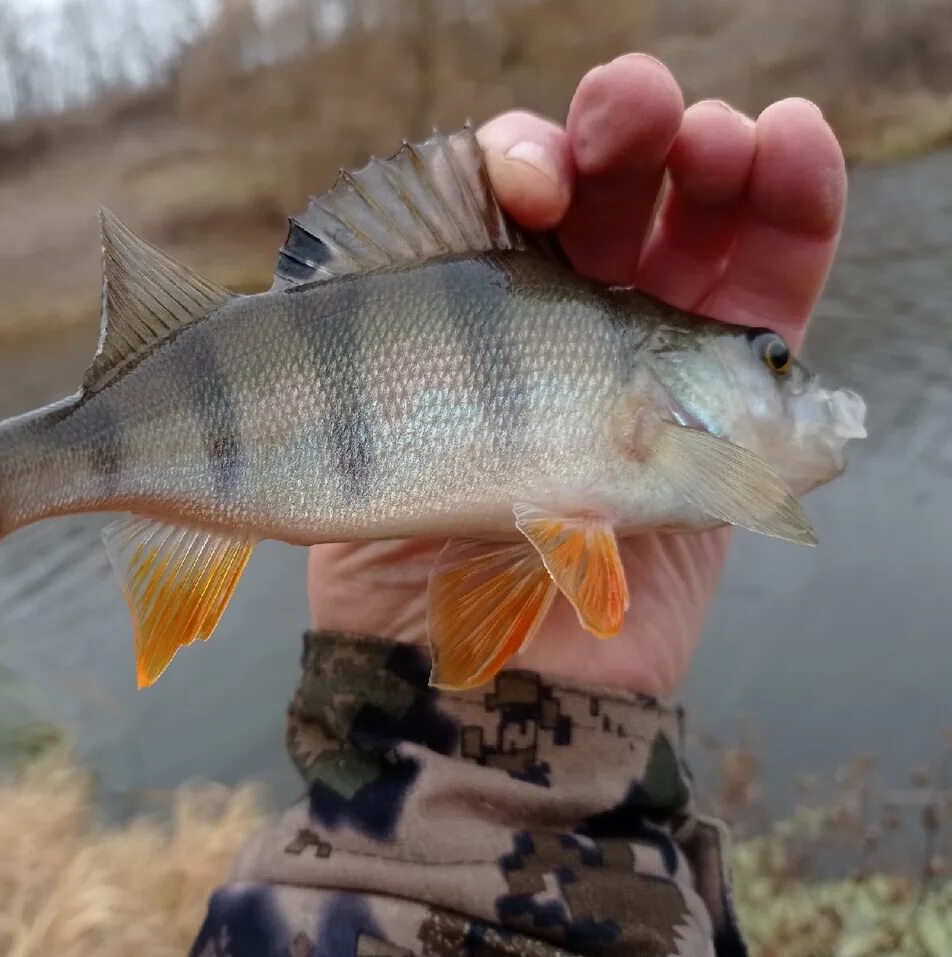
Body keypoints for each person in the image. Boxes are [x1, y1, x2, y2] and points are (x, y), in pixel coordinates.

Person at [189, 53, 847, 957]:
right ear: (677, 359)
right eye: (771, 359)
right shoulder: (636, 423)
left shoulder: (633, 483)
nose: (788, 378)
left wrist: (514, 751)